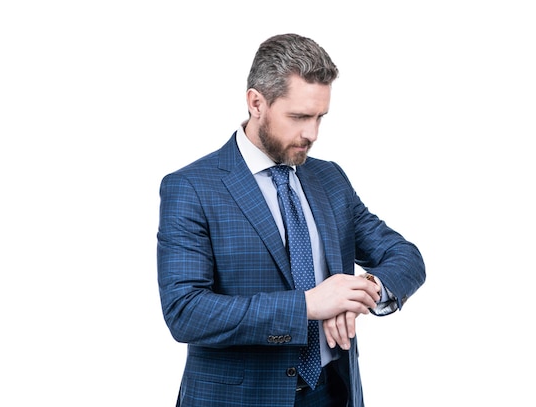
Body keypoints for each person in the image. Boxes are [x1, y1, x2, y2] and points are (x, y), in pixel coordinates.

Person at [157, 33, 425, 407]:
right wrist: (307, 305)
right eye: (299, 117)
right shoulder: (192, 187)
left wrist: (362, 288)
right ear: (256, 103)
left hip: (332, 393)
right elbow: (185, 311)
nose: (311, 134)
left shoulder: (329, 178)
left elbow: (405, 256)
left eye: (320, 117)